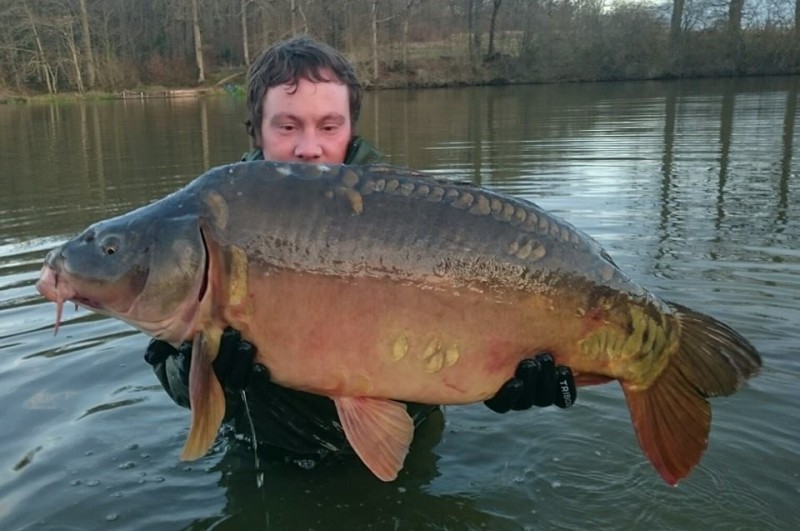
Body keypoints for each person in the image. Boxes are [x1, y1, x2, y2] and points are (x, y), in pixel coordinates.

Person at [144, 35, 577, 466]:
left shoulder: (417, 215)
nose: (309, 148)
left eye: (329, 127)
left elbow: (488, 329)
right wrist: (201, 367)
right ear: (257, 131)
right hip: (269, 458)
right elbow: (172, 378)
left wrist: (513, 380)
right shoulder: (214, 225)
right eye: (287, 127)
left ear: (351, 130)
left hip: (412, 452)